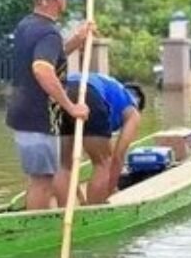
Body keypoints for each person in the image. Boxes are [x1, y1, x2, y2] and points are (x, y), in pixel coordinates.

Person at [6, 0, 94, 211]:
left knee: (40, 177)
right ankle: (35, 228)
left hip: (23, 113)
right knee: (42, 181)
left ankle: (37, 220)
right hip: (37, 117)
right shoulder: (48, 32)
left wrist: (77, 40)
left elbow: (52, 57)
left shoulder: (27, 25)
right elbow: (43, 69)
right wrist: (71, 107)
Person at [55, 73, 144, 205]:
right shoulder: (133, 111)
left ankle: (64, 214)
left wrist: (81, 199)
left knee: (64, 166)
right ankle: (94, 211)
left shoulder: (113, 90)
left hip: (61, 93)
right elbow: (117, 157)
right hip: (88, 93)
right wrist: (110, 190)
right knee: (103, 163)